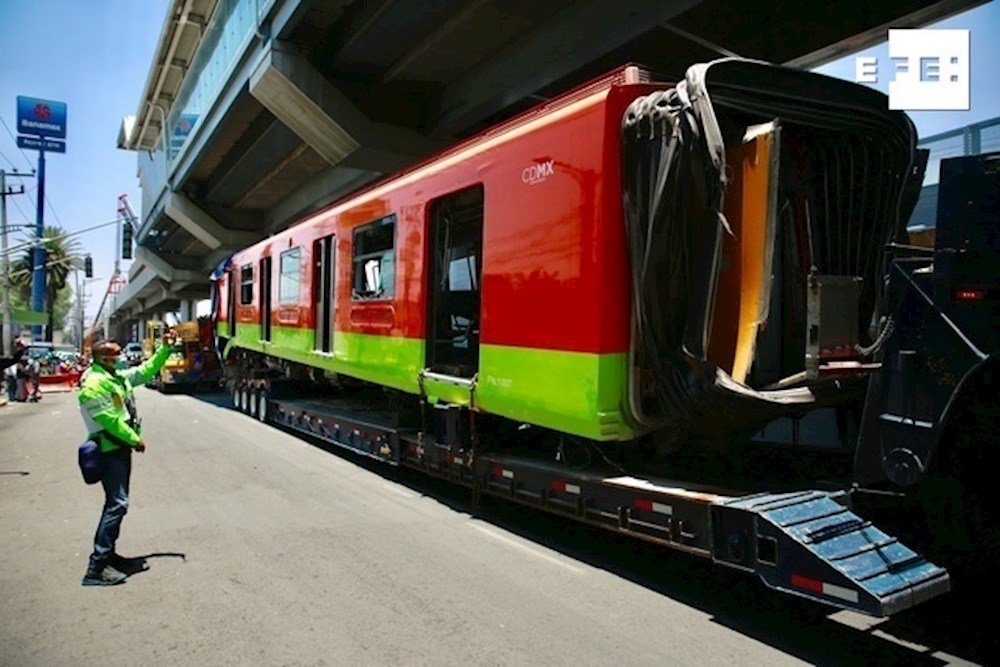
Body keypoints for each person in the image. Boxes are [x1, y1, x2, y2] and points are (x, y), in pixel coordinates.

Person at [77, 330, 177, 586]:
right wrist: (135, 439)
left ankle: (109, 556)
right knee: (117, 504)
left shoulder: (115, 377)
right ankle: (97, 567)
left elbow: (145, 371)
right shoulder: (94, 385)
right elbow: (109, 420)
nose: (122, 359)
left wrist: (164, 349)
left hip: (119, 449)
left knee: (117, 502)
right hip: (109, 450)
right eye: (117, 356)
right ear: (104, 358)